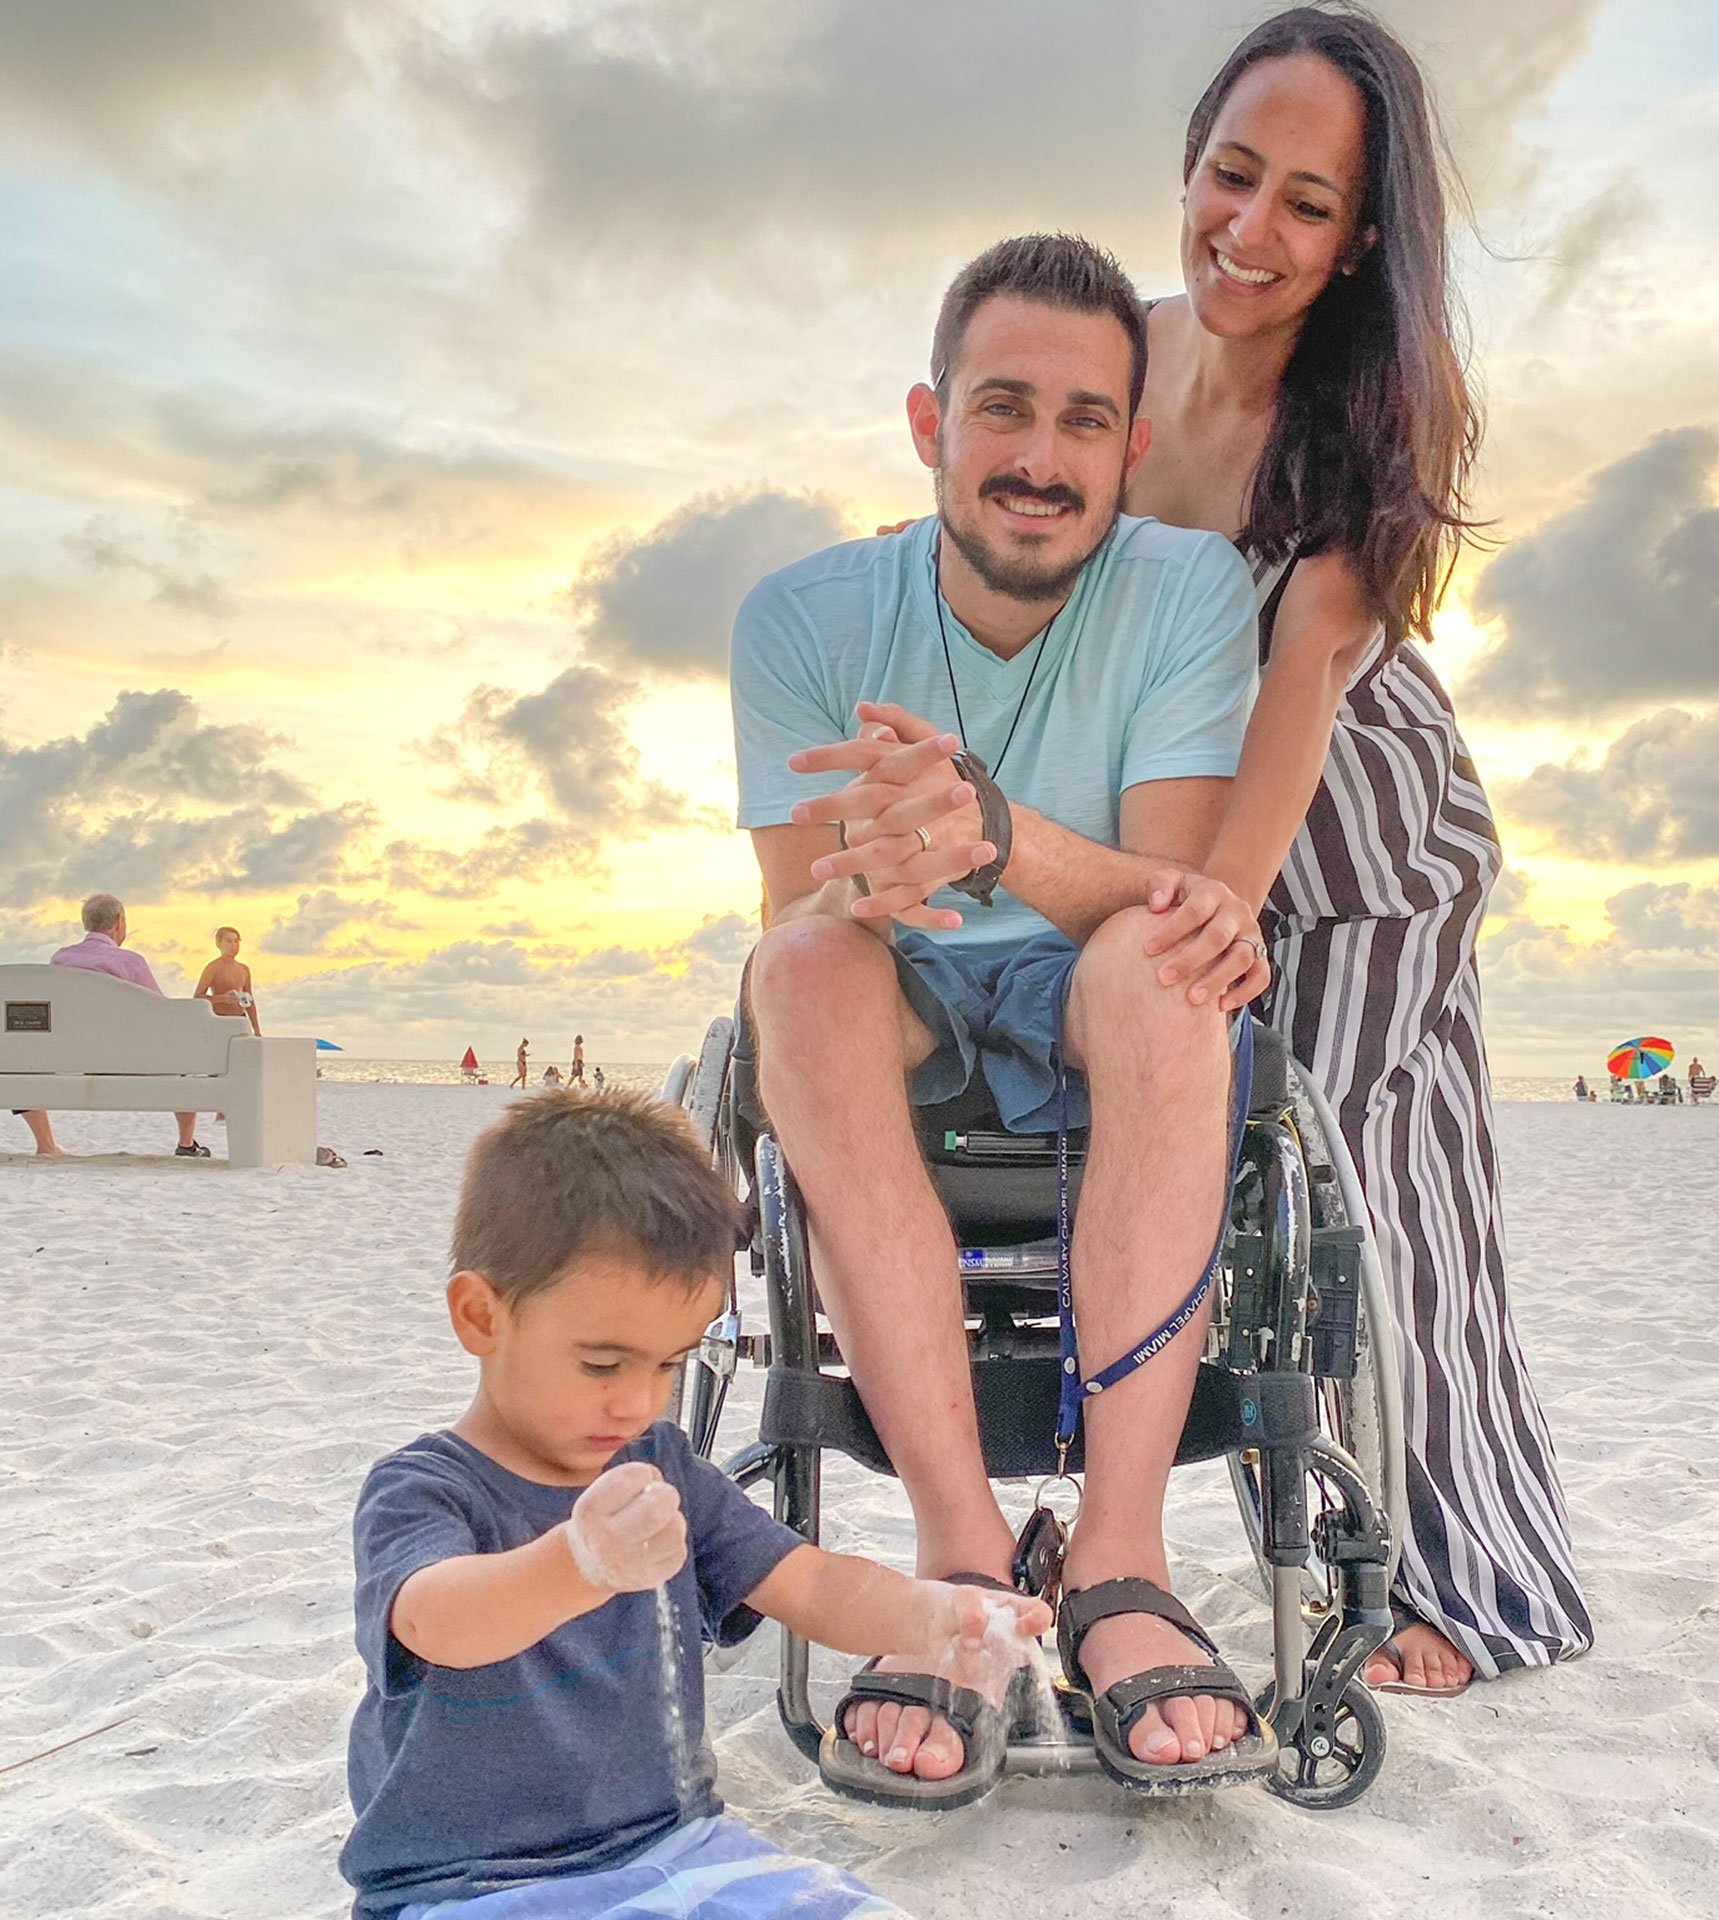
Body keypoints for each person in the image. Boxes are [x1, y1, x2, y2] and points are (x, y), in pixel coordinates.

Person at [734, 234, 1273, 1796]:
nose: (1041, 460)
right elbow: (804, 899)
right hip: (901, 977)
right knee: (802, 971)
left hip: (1099, 963)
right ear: (930, 424)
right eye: (1003, 411)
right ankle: (962, 1555)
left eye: (1085, 421)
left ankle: (1116, 1560)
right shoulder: (805, 616)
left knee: (1167, 962)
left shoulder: (1185, 589)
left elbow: (1167, 894)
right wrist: (896, 860)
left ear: (1133, 445)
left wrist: (988, 827)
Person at [1120, 10, 1591, 1694]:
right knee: (1243, 1217)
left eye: (1305, 204)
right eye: (1230, 176)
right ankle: (1303, 1546)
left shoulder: (1387, 397)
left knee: (1376, 1201)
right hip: (1191, 822)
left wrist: (1218, 913)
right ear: (1189, 162)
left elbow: (1307, 670)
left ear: (1362, 236)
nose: (1250, 230)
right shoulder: (1124, 350)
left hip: (1364, 839)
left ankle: (1459, 1582)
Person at [340, 1088, 1046, 1919]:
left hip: (678, 1846)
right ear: (481, 1315)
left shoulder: (661, 1468)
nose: (639, 1402)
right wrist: (579, 1563)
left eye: (669, 1365)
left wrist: (934, 1619)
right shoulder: (424, 1489)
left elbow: (808, 1584)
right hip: (472, 1883)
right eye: (604, 1365)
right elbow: (438, 1624)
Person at [32, 895, 207, 1157]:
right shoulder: (130, 962)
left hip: (71, 1060)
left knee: (27, 1056)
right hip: (128, 1063)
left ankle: (45, 1145)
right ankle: (186, 1144)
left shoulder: (60, 959)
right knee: (182, 1060)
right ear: (119, 922)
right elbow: (163, 1014)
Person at [193, 926, 261, 1033]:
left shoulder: (243, 969)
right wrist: (222, 998)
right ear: (219, 944)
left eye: (236, 941)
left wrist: (256, 1029)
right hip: (220, 1018)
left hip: (240, 1019)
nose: (233, 945)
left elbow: (250, 1002)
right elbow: (198, 997)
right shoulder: (213, 967)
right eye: (229, 941)